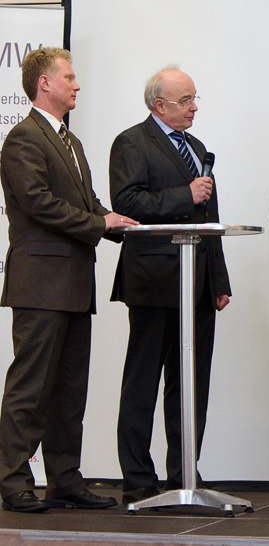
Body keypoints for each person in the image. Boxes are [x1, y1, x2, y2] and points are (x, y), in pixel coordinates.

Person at [0, 48, 137, 513]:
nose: (77, 85)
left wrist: (114, 221)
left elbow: (86, 202)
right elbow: (38, 203)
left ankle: (65, 479)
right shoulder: (24, 138)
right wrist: (99, 225)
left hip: (76, 282)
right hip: (40, 282)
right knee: (31, 386)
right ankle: (14, 480)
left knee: (69, 388)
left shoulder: (69, 142)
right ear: (44, 84)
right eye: (70, 77)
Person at [109, 67, 231, 505]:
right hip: (154, 280)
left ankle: (184, 473)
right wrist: (186, 195)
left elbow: (209, 219)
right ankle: (138, 477)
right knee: (143, 381)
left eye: (195, 99)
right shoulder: (131, 141)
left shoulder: (197, 148)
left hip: (197, 283)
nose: (194, 107)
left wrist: (219, 279)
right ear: (159, 105)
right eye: (186, 100)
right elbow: (127, 203)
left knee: (191, 382)